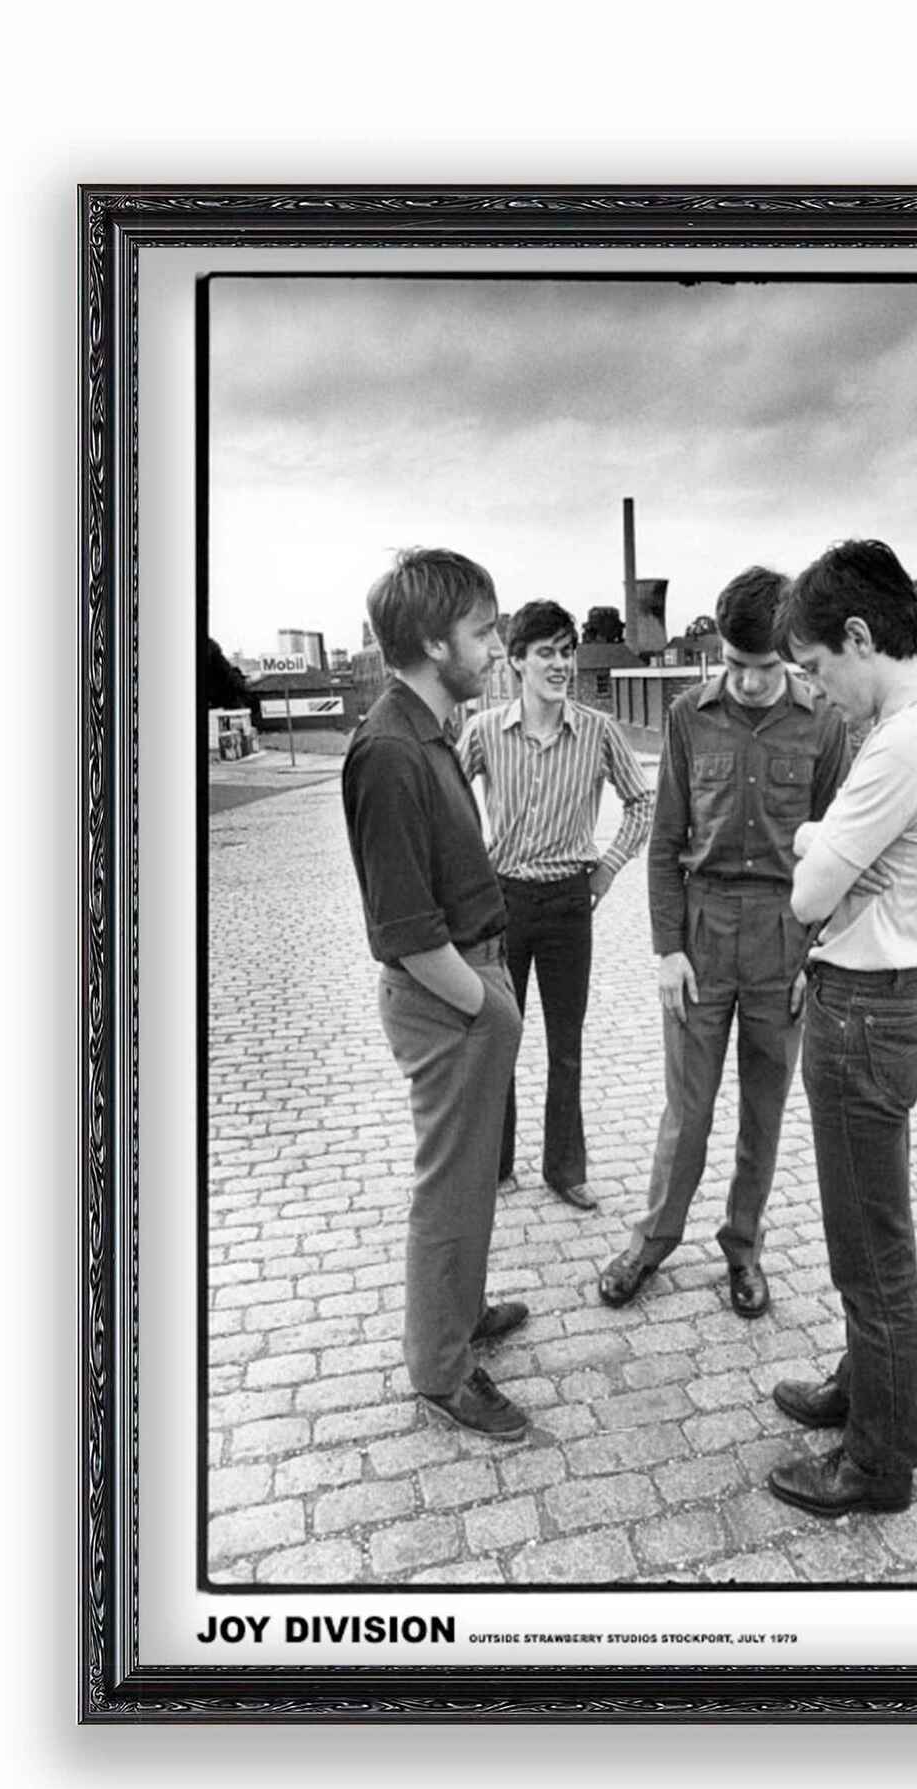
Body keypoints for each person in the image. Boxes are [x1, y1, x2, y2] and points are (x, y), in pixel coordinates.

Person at [766, 538, 917, 1516]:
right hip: (887, 1004)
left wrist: (813, 837)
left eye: (817, 667)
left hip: (862, 1014)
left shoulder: (903, 742)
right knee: (868, 1234)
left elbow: (808, 891)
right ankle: (863, 1386)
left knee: (870, 1251)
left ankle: (878, 1460)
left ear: (859, 636)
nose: (818, 691)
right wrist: (833, 845)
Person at [598, 566, 851, 1319]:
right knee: (687, 1110)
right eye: (735, 664)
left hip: (784, 934)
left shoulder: (824, 723)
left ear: (790, 656)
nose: (747, 681)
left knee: (763, 1111)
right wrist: (667, 950)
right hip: (702, 936)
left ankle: (743, 1247)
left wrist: (815, 954)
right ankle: (652, 1241)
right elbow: (664, 840)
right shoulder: (687, 716)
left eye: (764, 666)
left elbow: (835, 852)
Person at [341, 548, 530, 1443]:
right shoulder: (388, 750)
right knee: (450, 1190)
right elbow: (406, 927)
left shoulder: (429, 730)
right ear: (431, 641)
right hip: (447, 995)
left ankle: (459, 1309)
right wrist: (485, 1005)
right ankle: (442, 1368)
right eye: (482, 632)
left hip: (469, 981)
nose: (495, 648)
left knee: (470, 1179)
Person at [457, 599, 653, 1211]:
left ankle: (565, 1169)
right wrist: (469, 876)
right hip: (503, 902)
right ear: (516, 661)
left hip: (570, 902)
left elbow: (642, 802)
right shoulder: (484, 731)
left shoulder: (597, 731)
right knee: (499, 1038)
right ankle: (494, 1164)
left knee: (566, 1044)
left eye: (567, 652)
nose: (560, 664)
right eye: (546, 653)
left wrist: (609, 867)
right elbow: (446, 801)